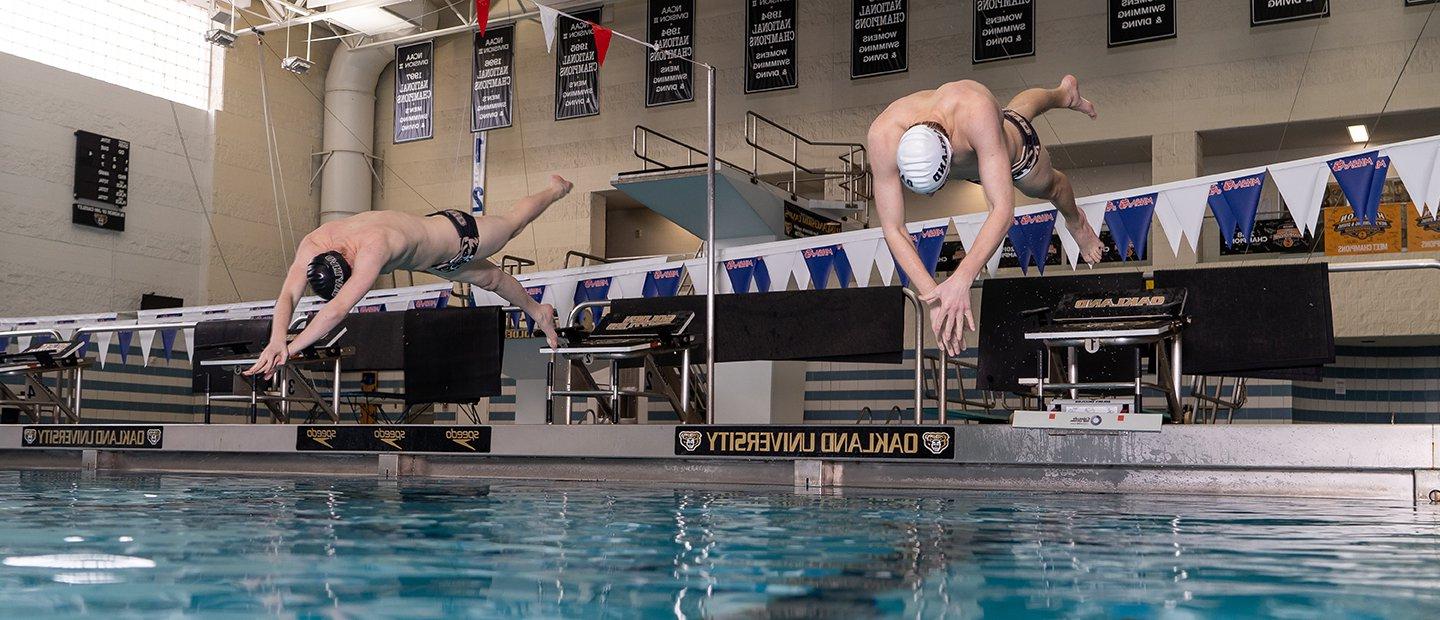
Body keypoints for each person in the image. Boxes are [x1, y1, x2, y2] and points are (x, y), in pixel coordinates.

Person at [244, 175, 573, 378]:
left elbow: (337, 310)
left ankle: (555, 190)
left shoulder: (373, 248)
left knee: (512, 224)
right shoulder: (314, 244)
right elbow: (288, 294)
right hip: (433, 260)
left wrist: (291, 348)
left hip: (458, 236)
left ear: (347, 261)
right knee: (493, 281)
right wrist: (276, 339)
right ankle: (538, 310)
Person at [867, 75, 1105, 356]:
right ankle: (1067, 94)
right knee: (1015, 111)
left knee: (1049, 185)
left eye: (938, 186)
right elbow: (894, 228)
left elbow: (1002, 209)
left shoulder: (975, 111)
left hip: (1014, 155)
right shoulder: (882, 135)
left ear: (948, 149)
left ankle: (1076, 221)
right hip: (981, 147)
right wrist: (934, 298)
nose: (932, 197)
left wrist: (962, 276)